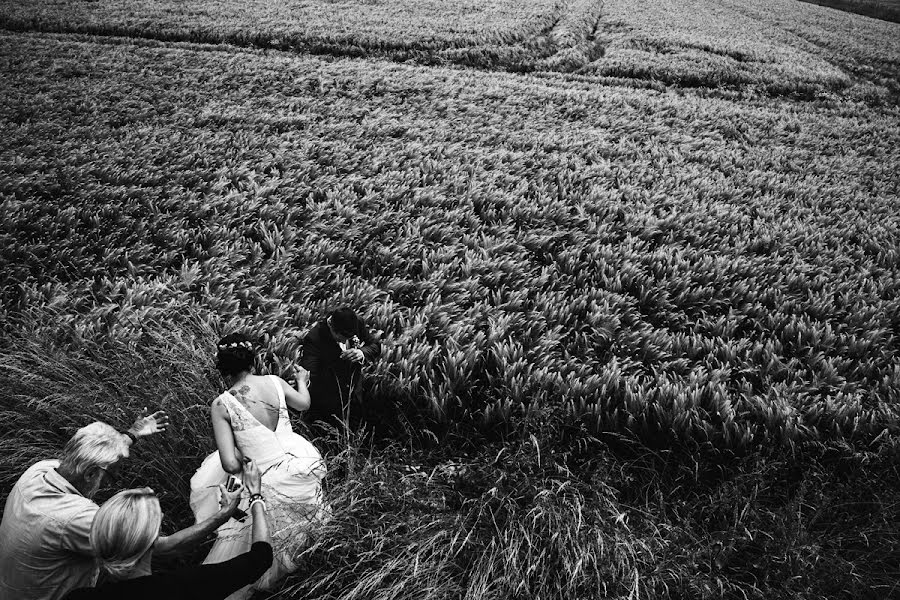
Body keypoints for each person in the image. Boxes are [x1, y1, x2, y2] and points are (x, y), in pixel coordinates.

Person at [0, 411, 211, 600]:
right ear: (91, 474)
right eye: (112, 475)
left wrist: (132, 434)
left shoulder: (40, 470)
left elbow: (91, 451)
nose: (114, 482)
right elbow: (161, 547)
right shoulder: (76, 518)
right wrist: (221, 515)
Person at [189, 333, 328, 600]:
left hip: (260, 472)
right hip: (295, 460)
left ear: (223, 366)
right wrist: (301, 381)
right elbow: (304, 404)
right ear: (252, 358)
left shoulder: (221, 404)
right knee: (297, 523)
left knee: (247, 536)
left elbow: (229, 464)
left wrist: (247, 451)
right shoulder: (275, 382)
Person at [65, 459, 272, 600]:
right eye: (158, 517)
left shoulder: (77, 597)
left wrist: (225, 512)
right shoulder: (188, 586)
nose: (163, 516)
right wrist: (256, 495)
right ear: (153, 538)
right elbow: (260, 558)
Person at [299, 307, 382, 432]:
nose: (346, 341)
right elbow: (311, 374)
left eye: (350, 337)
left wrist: (361, 353)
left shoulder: (356, 321)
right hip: (330, 406)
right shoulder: (314, 338)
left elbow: (375, 346)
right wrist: (301, 381)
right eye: (342, 337)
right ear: (332, 327)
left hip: (356, 395)